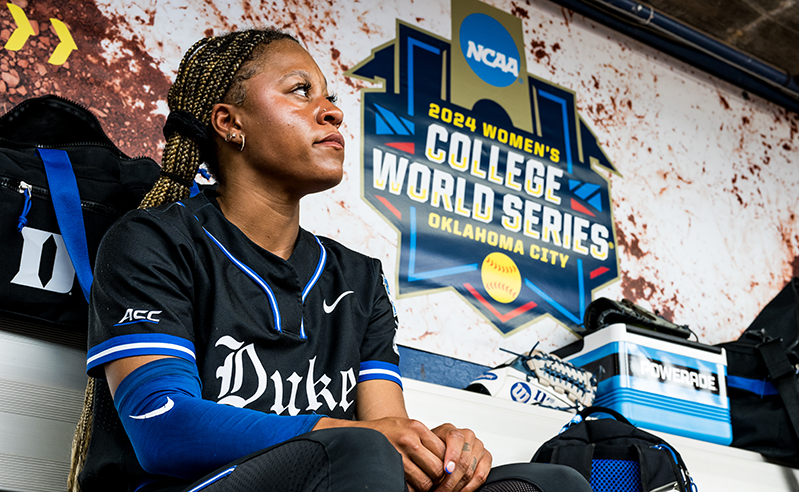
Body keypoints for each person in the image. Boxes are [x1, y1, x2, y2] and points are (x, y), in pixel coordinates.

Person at [69, 29, 590, 492]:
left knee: (551, 482)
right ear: (229, 123)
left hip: (340, 472)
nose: (333, 111)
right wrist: (361, 437)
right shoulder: (153, 240)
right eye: (300, 91)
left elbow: (386, 426)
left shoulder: (357, 278)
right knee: (358, 449)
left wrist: (437, 452)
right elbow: (163, 427)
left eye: (330, 97)